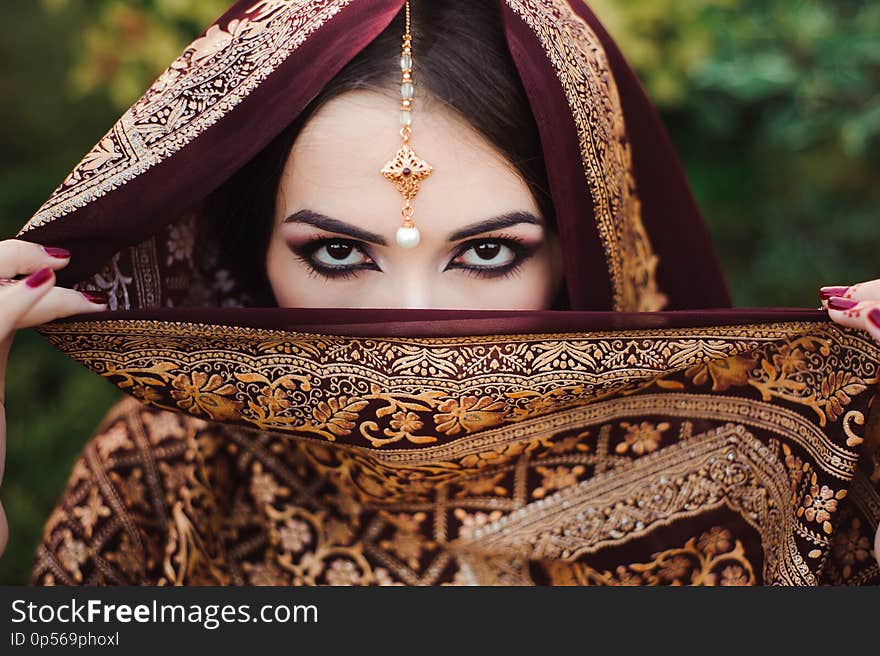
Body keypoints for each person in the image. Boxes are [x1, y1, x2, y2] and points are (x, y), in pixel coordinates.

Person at [1, 0, 878, 585]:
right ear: (250, 249)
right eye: (339, 253)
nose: (413, 335)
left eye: (489, 251)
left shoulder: (767, 472)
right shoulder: (168, 462)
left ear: (586, 247)